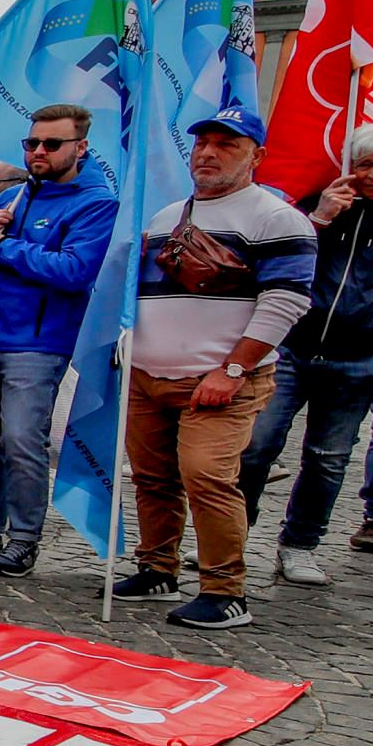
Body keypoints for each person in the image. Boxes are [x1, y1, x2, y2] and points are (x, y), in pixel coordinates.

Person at [108, 104, 316, 629]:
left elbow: (287, 301)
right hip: (149, 375)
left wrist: (235, 370)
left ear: (256, 156)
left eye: (226, 144)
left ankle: (226, 590)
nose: (208, 153)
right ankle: (157, 567)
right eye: (203, 143)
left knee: (207, 477)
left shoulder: (277, 218)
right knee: (152, 477)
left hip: (220, 378)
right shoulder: (166, 216)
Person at [237, 122, 373, 585]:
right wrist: (320, 217)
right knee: (255, 446)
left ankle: (299, 545)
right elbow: (282, 261)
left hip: (362, 356)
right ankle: (231, 536)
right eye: (365, 163)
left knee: (327, 457)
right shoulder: (323, 201)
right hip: (294, 346)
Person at [0, 104, 117, 576]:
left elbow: (74, 271)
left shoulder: (96, 202)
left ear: (80, 148)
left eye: (52, 144)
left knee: (21, 440)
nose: (39, 152)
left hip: (35, 342)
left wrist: (3, 246)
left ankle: (24, 538)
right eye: (32, 143)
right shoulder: (12, 198)